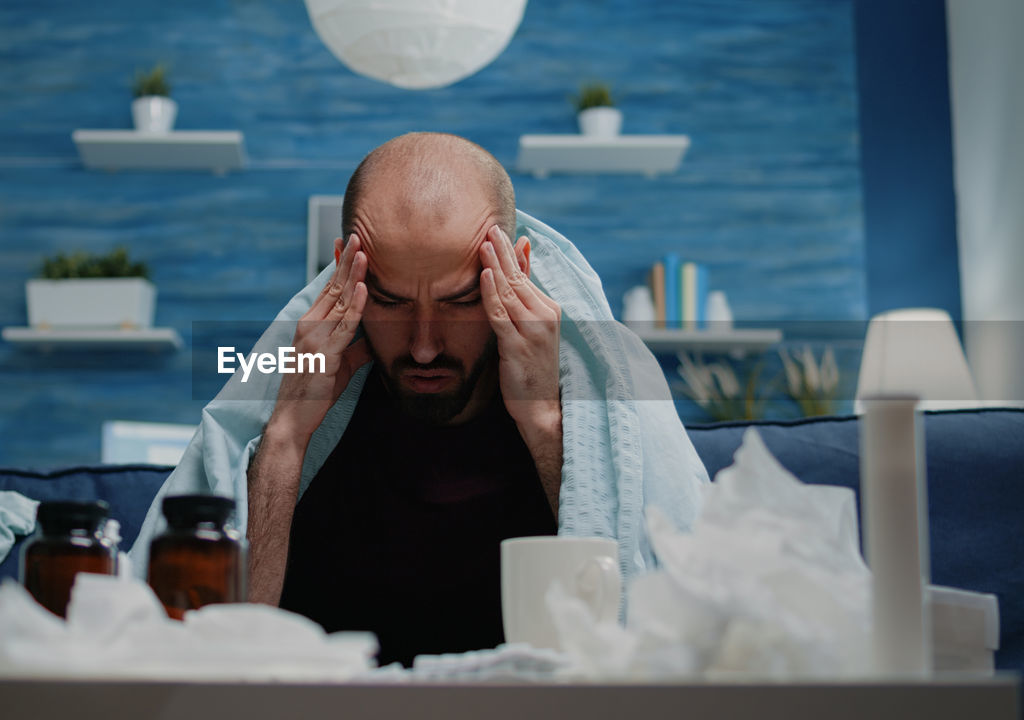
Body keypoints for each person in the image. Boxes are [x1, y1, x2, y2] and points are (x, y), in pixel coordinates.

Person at [129, 132, 707, 667]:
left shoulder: (583, 396)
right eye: (390, 301)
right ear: (345, 277)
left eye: (458, 302)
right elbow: (211, 663)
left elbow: (638, 651)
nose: (425, 347)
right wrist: (284, 439)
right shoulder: (300, 383)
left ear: (517, 271)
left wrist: (545, 424)